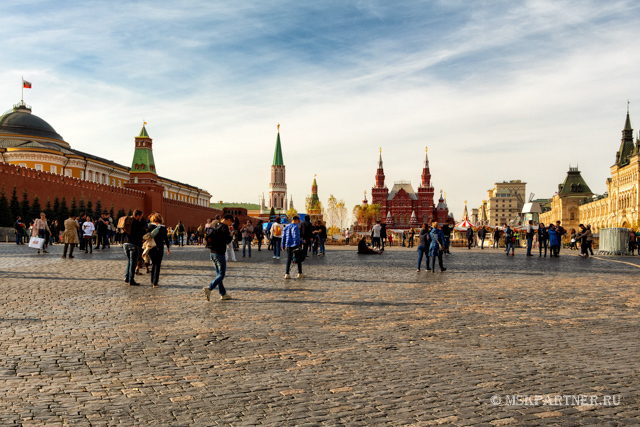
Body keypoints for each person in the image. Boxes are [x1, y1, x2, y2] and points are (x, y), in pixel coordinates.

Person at [203, 214, 233, 301]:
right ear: (228, 220)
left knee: (218, 274)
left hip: (212, 252)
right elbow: (227, 240)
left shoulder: (215, 224)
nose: (230, 225)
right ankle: (209, 288)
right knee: (221, 274)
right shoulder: (224, 227)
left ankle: (223, 294)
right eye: (230, 222)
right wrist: (230, 235)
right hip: (219, 253)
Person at [147, 212, 171, 287]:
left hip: (151, 247)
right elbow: (165, 239)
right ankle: (155, 282)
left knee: (154, 263)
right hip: (159, 247)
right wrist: (168, 247)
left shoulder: (149, 227)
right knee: (157, 265)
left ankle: (152, 280)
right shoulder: (163, 227)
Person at [123, 210, 146, 286]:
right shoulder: (137, 223)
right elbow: (140, 234)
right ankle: (131, 280)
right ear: (137, 215)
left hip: (125, 243)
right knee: (133, 263)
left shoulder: (128, 221)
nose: (141, 217)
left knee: (130, 261)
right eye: (141, 216)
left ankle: (127, 277)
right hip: (133, 244)